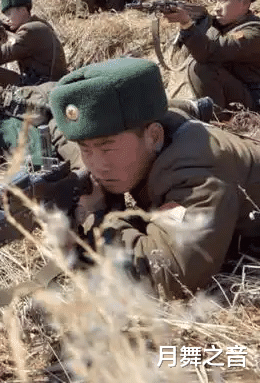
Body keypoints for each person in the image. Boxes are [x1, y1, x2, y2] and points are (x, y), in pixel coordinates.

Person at [43, 57, 260, 299]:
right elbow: (64, 132)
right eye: (86, 149)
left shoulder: (195, 170)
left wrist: (99, 217)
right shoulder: (147, 124)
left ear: (154, 136)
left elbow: (168, 278)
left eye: (107, 149)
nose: (97, 165)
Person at [163, 0, 260, 110]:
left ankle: (217, 117)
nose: (216, 8)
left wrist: (190, 24)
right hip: (235, 93)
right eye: (215, 1)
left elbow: (209, 52)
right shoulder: (222, 25)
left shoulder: (254, 32)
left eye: (224, 0)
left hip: (252, 102)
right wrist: (193, 25)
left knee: (200, 66)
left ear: (244, 3)